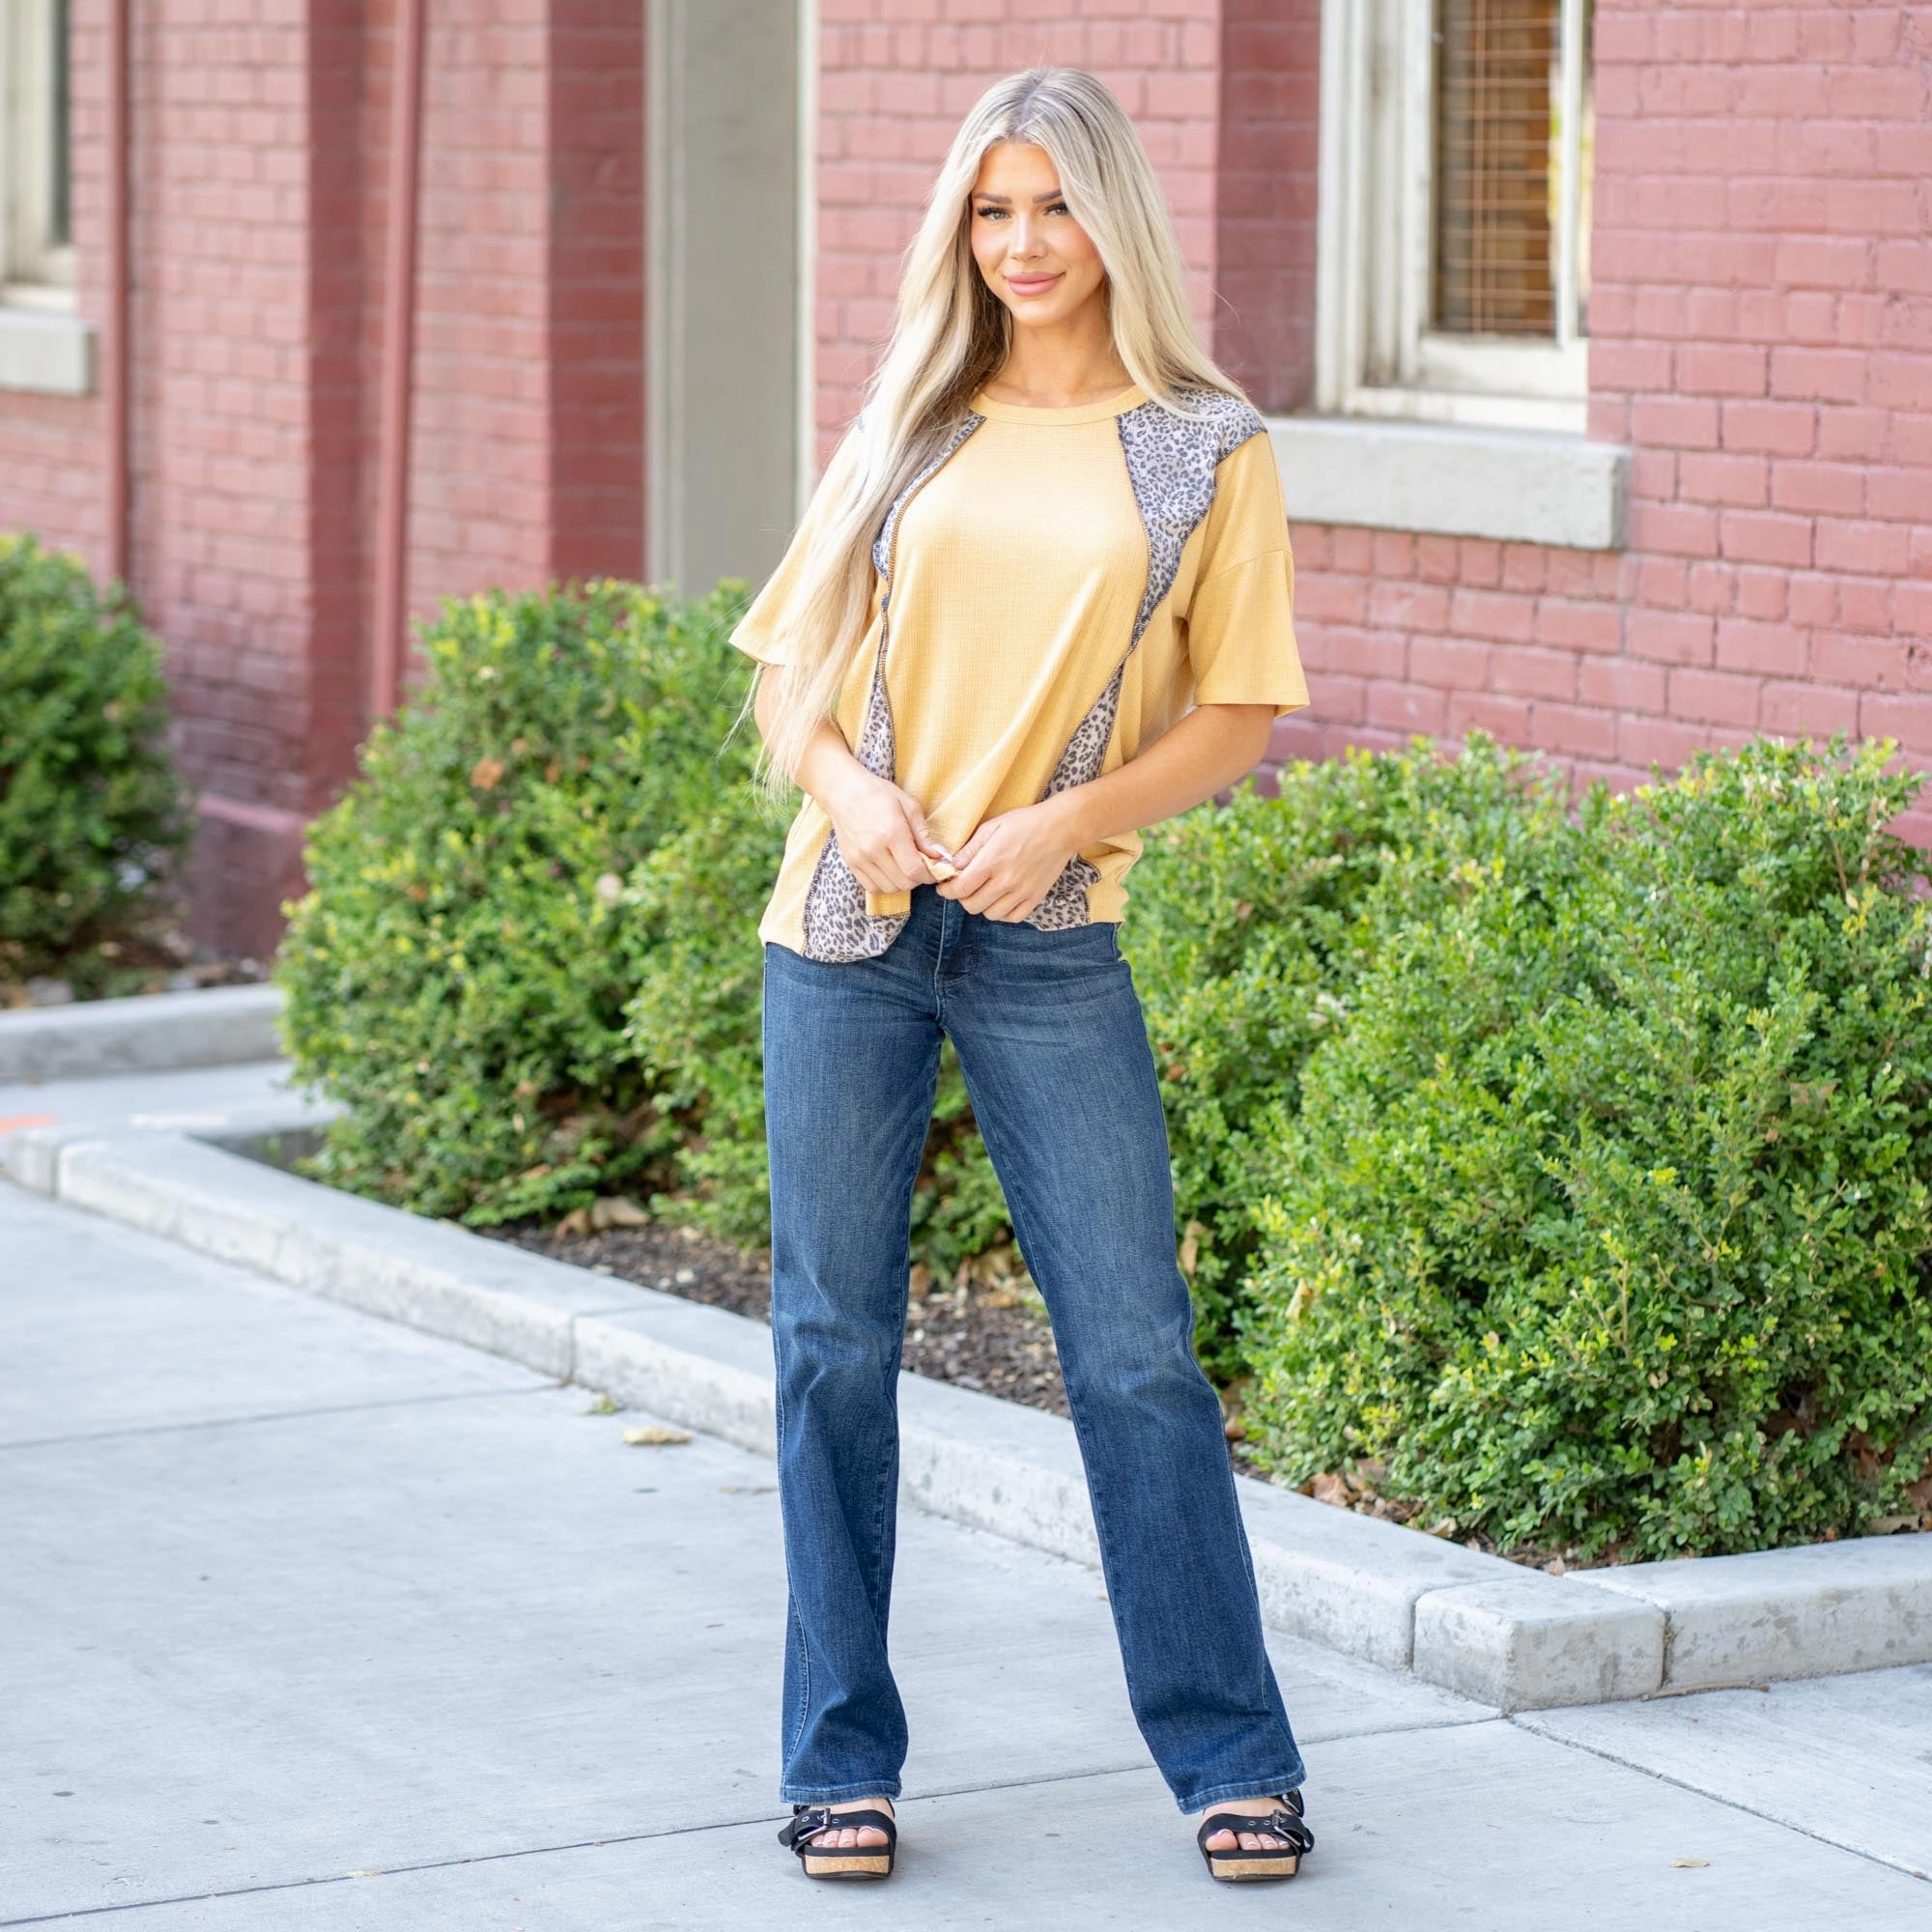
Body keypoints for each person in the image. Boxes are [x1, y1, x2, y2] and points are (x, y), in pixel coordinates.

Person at [730, 65, 1315, 1887]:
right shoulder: (911, 420)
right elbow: (787, 681)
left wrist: (1069, 827)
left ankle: (1232, 1752)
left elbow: (1239, 715)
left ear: (1112, 216)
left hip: (1051, 943)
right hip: (847, 932)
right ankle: (840, 1760)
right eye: (992, 210)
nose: (1023, 244)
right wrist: (854, 796)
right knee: (834, 1345)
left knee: (1135, 1352)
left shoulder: (1203, 446)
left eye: (1053, 205)